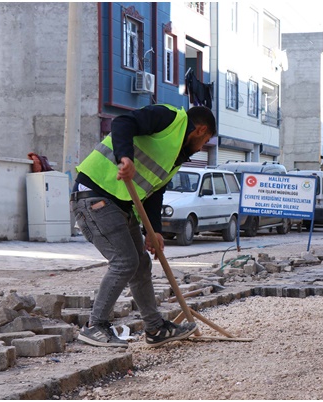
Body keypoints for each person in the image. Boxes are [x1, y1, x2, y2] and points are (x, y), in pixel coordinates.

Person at [70, 104, 216, 348]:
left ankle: (155, 329)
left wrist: (153, 230)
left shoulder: (176, 155)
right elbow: (122, 123)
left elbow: (154, 192)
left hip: (121, 204)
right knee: (125, 261)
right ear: (200, 130)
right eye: (206, 140)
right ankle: (94, 325)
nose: (202, 148)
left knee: (141, 264)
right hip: (94, 196)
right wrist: (124, 157)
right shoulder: (169, 118)